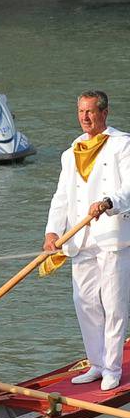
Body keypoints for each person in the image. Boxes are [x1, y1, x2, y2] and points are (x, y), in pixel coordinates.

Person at [44, 91, 130, 391]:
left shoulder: (122, 144)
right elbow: (62, 197)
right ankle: (95, 362)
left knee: (114, 304)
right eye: (81, 111)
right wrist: (52, 232)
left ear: (104, 113)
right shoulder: (71, 153)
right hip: (80, 239)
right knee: (85, 302)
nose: (85, 117)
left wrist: (109, 201)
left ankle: (112, 368)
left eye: (91, 111)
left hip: (111, 236)